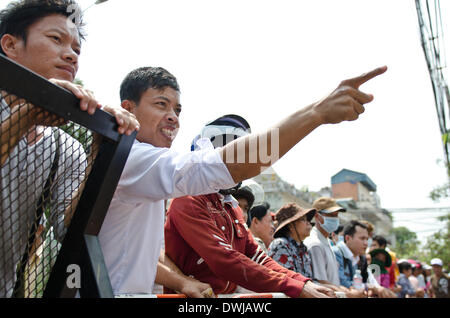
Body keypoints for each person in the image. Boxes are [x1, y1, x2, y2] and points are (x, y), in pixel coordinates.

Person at [100, 60, 387, 296]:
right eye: (161, 105)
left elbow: (253, 255)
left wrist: (303, 284)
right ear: (129, 107)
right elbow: (227, 260)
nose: (173, 117)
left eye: (177, 109)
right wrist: (316, 114)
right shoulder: (136, 161)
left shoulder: (221, 201)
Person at [0, 0, 138, 298]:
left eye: (76, 49)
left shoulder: (66, 148)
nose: (70, 55)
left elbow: (69, 228)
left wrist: (99, 155)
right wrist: (25, 117)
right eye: (55, 39)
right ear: (11, 45)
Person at [304, 197, 346, 288]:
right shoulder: (315, 244)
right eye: (331, 215)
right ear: (317, 216)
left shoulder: (326, 241)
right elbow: (321, 282)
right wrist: (347, 293)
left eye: (336, 215)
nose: (335, 219)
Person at [268, 203, 316, 279]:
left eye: (307, 220)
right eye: (303, 219)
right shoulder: (280, 245)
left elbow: (310, 280)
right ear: (291, 226)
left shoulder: (303, 248)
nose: (308, 223)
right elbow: (288, 280)